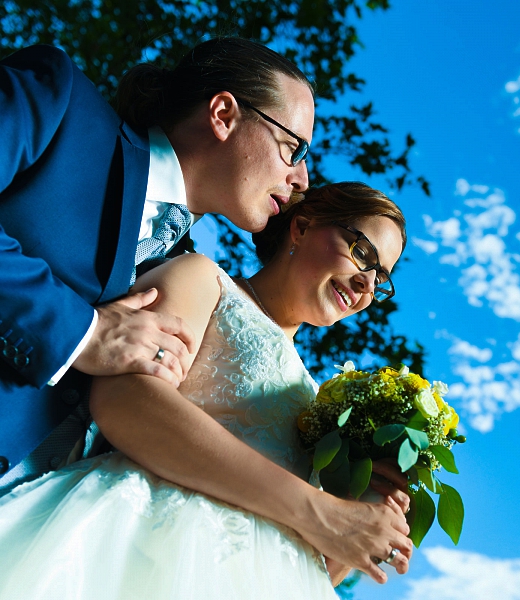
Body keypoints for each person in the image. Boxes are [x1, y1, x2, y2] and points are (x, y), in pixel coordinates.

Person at [0, 183, 412, 598]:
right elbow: (126, 401)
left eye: (381, 280)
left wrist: (360, 519)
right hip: (136, 544)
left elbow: (311, 562)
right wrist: (319, 508)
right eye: (362, 253)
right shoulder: (204, 280)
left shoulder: (322, 403)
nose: (367, 284)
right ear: (302, 227)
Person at [0, 37, 314, 493]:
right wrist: (85, 332)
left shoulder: (188, 282)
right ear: (224, 115)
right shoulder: (60, 103)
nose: (301, 178)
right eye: (294, 148)